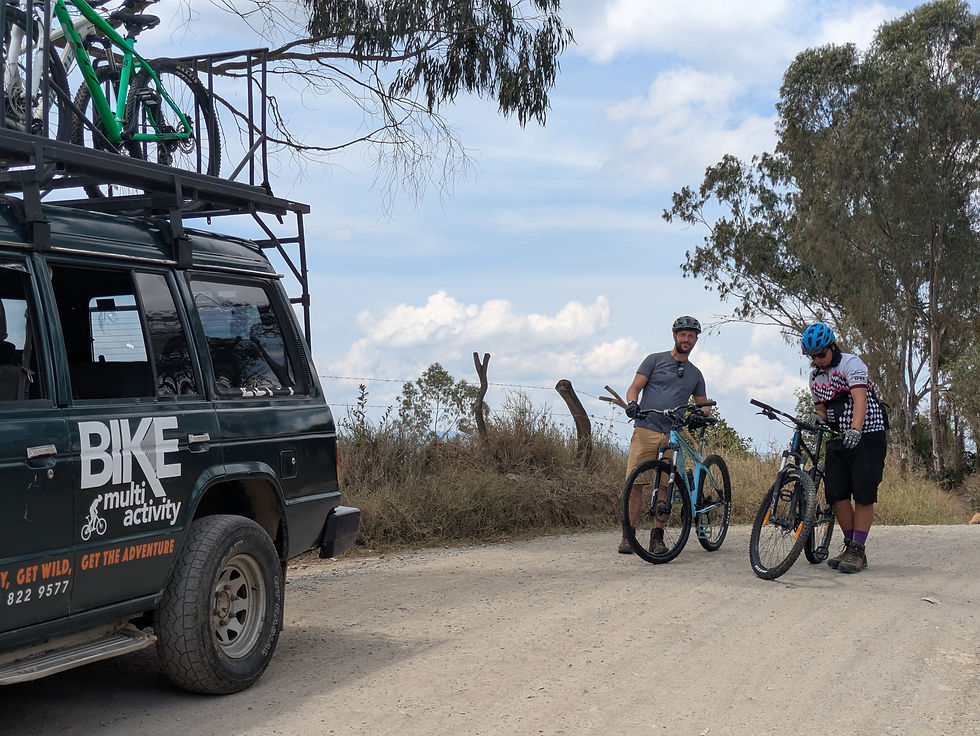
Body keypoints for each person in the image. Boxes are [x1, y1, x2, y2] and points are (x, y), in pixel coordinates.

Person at [619, 315, 710, 555]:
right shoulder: (654, 360)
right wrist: (632, 403)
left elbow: (704, 404)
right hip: (646, 428)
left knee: (665, 485)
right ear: (675, 336)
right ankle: (628, 535)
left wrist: (701, 414)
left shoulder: (695, 374)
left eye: (691, 336)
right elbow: (634, 387)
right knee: (635, 484)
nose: (687, 339)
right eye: (683, 335)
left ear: (696, 340)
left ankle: (657, 537)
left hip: (673, 434)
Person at [802, 322, 888, 574]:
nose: (817, 360)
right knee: (837, 494)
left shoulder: (851, 364)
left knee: (863, 493)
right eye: (812, 356)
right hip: (838, 435)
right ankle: (851, 546)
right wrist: (817, 417)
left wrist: (856, 429)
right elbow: (822, 409)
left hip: (868, 434)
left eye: (820, 354)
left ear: (831, 347)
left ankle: (857, 550)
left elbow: (860, 400)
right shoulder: (815, 376)